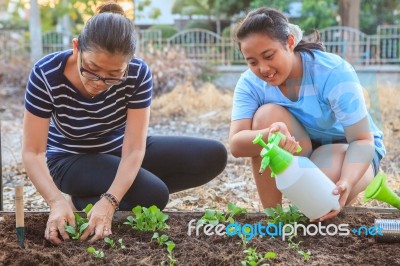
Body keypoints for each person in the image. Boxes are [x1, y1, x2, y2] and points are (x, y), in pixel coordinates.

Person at [22, 1, 227, 245]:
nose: (99, 82)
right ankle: (76, 201)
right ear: (76, 48)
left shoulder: (138, 74)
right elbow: (33, 152)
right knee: (154, 194)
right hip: (70, 160)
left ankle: (104, 196)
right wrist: (55, 201)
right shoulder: (46, 73)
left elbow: (133, 150)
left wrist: (109, 201)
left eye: (113, 76)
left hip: (119, 151)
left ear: (128, 64)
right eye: (91, 69)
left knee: (212, 155)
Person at [229, 7, 385, 221]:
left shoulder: (331, 71)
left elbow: (362, 140)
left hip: (350, 148)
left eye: (268, 56)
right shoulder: (250, 83)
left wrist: (347, 181)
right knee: (265, 116)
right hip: (304, 147)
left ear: (290, 42)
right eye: (252, 62)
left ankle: (360, 180)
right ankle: (274, 219)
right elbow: (237, 145)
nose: (263, 69)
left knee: (320, 196)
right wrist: (270, 135)